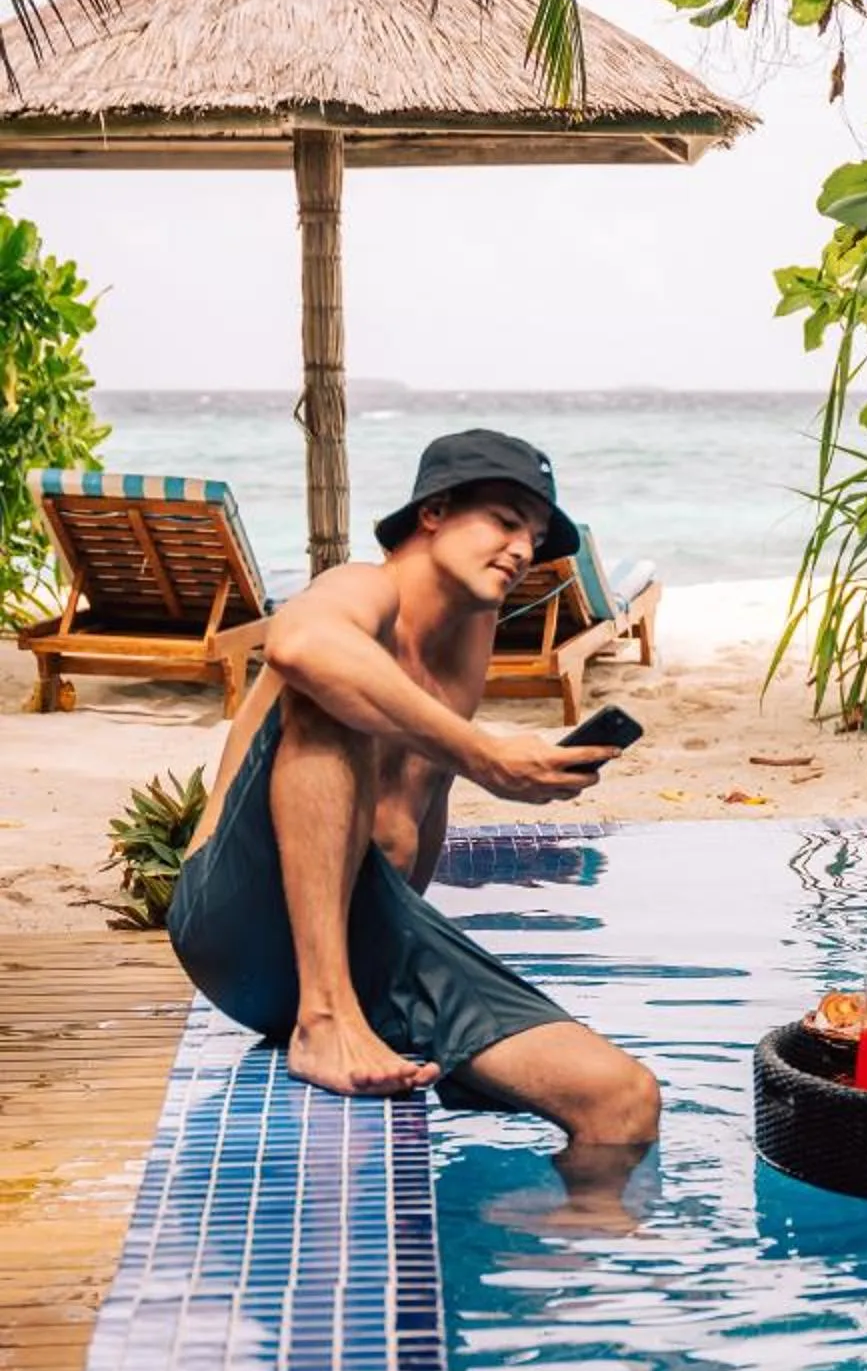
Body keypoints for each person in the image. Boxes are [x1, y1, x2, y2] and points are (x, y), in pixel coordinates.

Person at [168, 428, 661, 1194]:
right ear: (433, 512)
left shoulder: (471, 641)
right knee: (335, 691)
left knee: (621, 1102)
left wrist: (405, 968)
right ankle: (324, 1019)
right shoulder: (365, 587)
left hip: (362, 936)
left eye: (534, 536)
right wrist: (485, 752)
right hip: (236, 917)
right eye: (504, 519)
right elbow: (299, 647)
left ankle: (551, 1278)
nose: (522, 547)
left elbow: (416, 820)